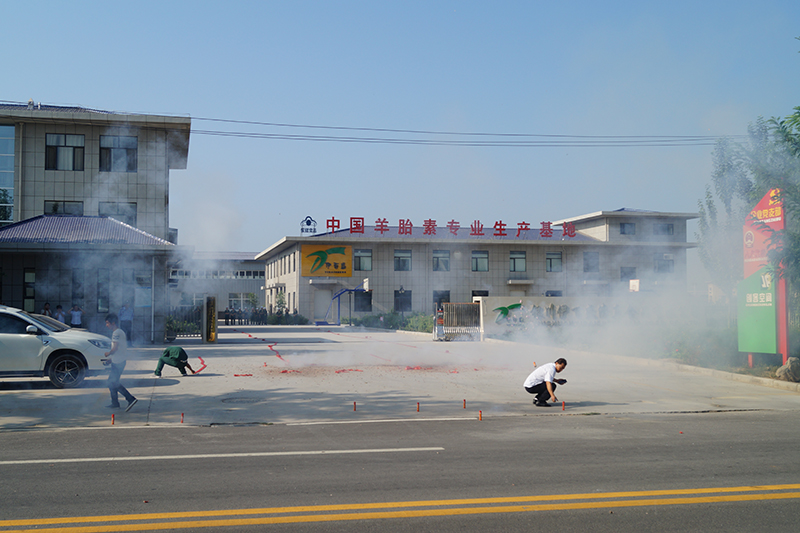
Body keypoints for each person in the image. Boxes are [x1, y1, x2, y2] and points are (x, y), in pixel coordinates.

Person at [102, 313, 138, 412]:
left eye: (107, 323)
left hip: (118, 362)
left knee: (113, 382)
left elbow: (115, 348)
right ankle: (115, 403)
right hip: (118, 361)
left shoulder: (116, 333)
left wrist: (108, 353)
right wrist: (111, 360)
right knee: (111, 382)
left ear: (113, 323)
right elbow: (120, 349)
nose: (107, 325)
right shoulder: (119, 332)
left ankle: (130, 399)